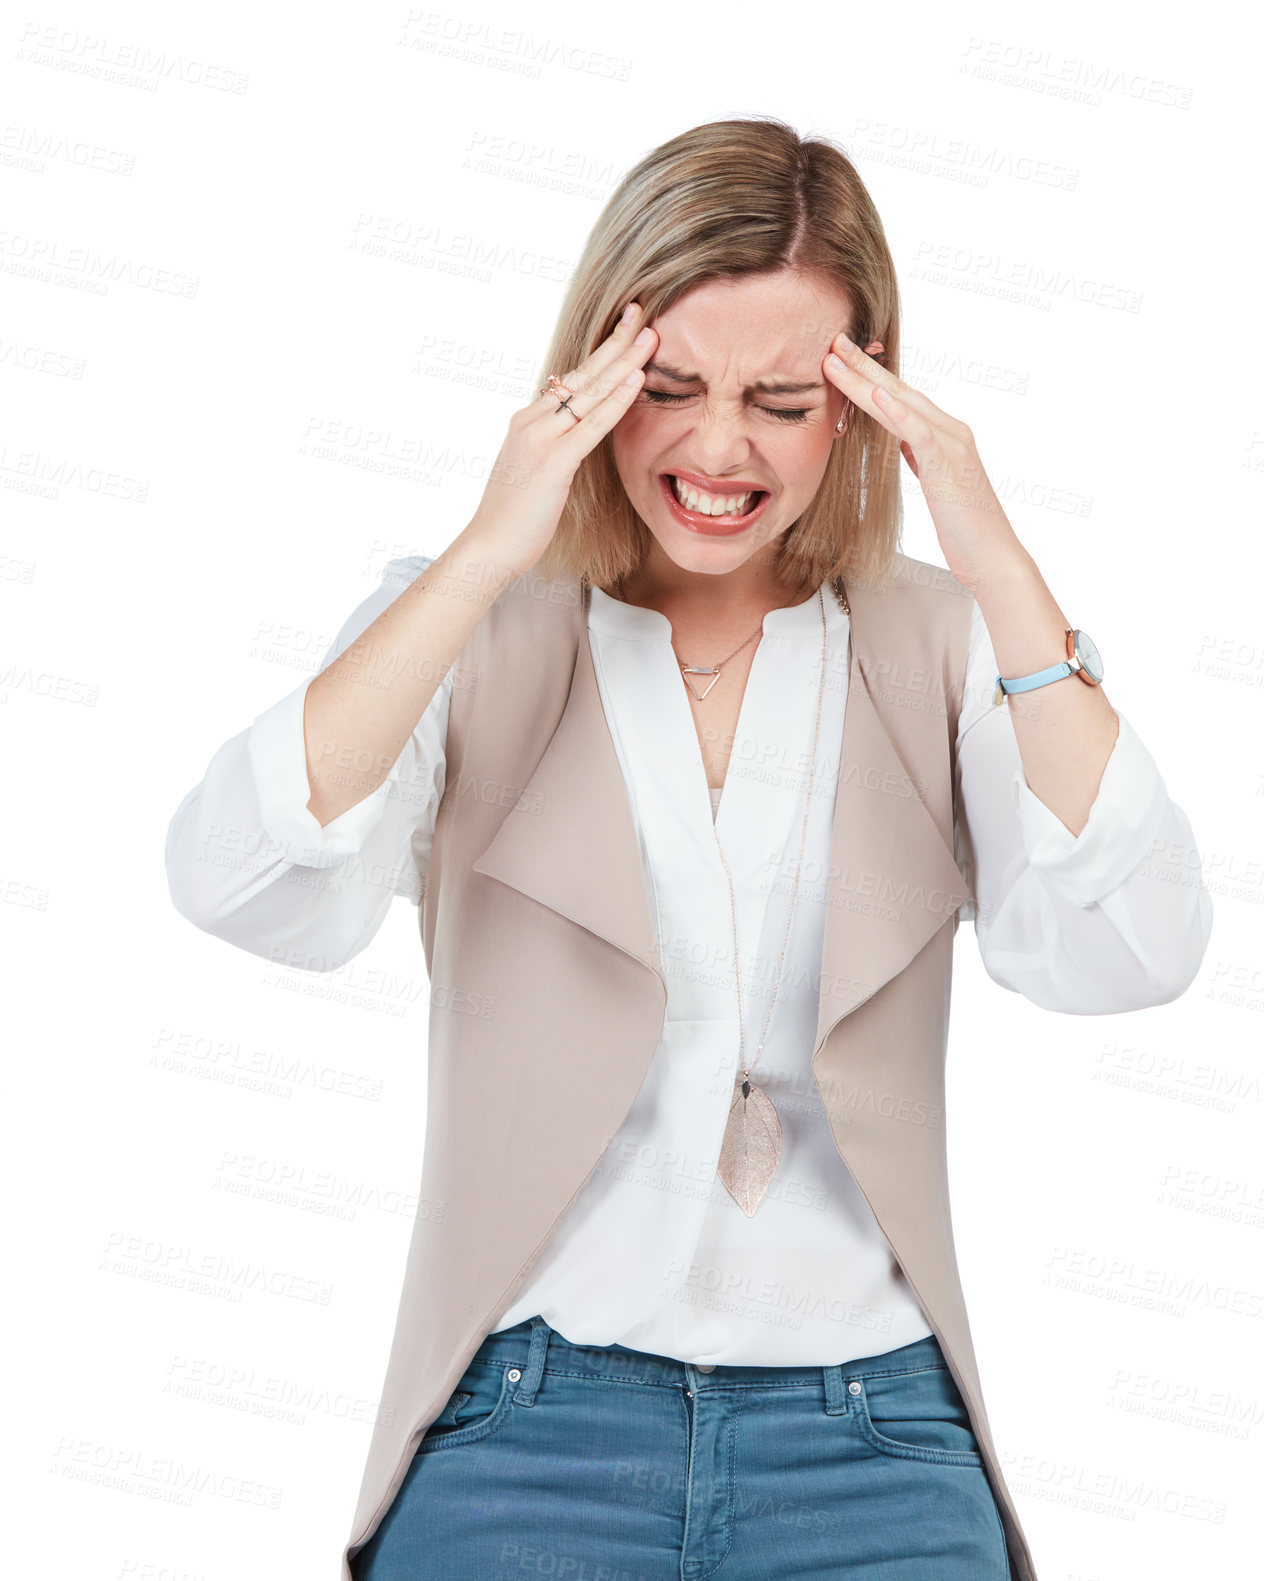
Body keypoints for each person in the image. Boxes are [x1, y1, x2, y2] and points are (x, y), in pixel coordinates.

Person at [165, 117, 1213, 1581]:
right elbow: (243, 877)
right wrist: (484, 549)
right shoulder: (475, 630)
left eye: (783, 400)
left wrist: (1004, 573)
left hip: (877, 1442)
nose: (719, 450)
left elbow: (1137, 946)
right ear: (590, 377)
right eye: (667, 388)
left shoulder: (947, 646)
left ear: (860, 404)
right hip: (528, 1427)